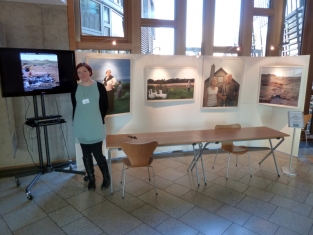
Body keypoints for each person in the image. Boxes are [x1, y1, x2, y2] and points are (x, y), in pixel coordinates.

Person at [71, 62, 110, 190]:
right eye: (79, 72)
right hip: (81, 125)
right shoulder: (75, 88)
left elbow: (105, 106)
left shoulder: (99, 86)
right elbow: (75, 107)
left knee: (98, 153)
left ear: (90, 72)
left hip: (95, 125)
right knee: (86, 154)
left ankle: (106, 178)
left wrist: (97, 119)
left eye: (84, 71)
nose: (82, 74)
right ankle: (91, 179)